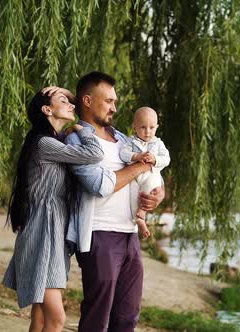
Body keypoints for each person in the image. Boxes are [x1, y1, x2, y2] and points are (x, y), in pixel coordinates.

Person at [65, 71, 165, 332]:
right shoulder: (76, 140)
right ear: (87, 101)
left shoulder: (122, 138)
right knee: (98, 317)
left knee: (128, 316)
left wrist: (158, 195)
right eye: (108, 100)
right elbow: (99, 185)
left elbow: (154, 173)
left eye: (115, 101)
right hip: (99, 235)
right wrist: (140, 168)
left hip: (130, 234)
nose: (114, 107)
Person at [2, 88, 104, 332]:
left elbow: (78, 105)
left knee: (40, 316)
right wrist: (82, 128)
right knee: (57, 319)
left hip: (52, 229)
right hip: (42, 231)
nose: (71, 104)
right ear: (47, 110)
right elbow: (95, 154)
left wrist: (67, 93)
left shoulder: (51, 142)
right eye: (63, 101)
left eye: (70, 101)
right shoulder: (45, 144)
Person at [119, 107, 170, 239]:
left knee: (152, 188)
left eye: (151, 128)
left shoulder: (158, 144)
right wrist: (136, 156)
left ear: (157, 127)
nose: (147, 132)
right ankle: (138, 220)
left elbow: (166, 159)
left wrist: (155, 159)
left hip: (151, 175)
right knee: (133, 197)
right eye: (143, 127)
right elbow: (123, 154)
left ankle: (142, 213)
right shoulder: (130, 142)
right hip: (133, 177)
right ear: (134, 127)